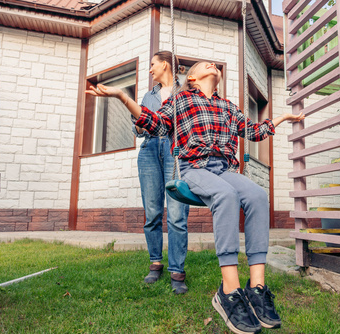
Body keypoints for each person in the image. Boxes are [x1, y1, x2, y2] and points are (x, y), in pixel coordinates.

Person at [86, 61, 305, 334]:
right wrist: (122, 97)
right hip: (194, 168)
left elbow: (253, 131)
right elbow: (155, 123)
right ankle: (229, 290)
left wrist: (281, 118)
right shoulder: (182, 99)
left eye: (215, 64)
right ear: (191, 77)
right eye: (205, 64)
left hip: (224, 168)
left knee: (258, 196)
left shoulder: (228, 107)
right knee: (226, 196)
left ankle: (257, 288)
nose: (212, 65)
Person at [133, 51, 190, 294]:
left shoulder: (186, 90)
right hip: (149, 150)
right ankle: (155, 263)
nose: (150, 69)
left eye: (153, 64)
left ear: (165, 64)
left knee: (177, 214)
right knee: (152, 212)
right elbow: (138, 132)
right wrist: (138, 122)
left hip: (174, 150)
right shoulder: (149, 95)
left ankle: (177, 270)